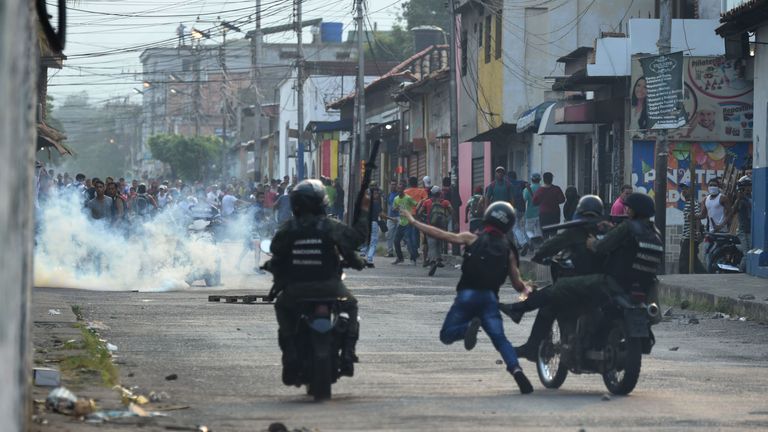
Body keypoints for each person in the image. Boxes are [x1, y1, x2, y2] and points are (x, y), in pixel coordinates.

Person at [400, 202, 534, 394]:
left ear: (488, 216)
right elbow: (517, 285)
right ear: (509, 224)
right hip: (489, 300)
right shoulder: (508, 250)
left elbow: (441, 234)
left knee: (446, 335)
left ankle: (466, 330)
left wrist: (413, 221)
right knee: (501, 341)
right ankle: (516, 370)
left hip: (467, 295)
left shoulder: (471, 238)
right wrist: (527, 289)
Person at [501, 193, 663, 336]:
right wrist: (611, 229)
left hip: (613, 283)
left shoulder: (627, 227)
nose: (626, 211)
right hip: (642, 287)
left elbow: (601, 247)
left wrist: (593, 243)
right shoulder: (655, 232)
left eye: (629, 209)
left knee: (559, 287)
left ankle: (518, 309)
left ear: (635, 211)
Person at [267, 180, 369, 384]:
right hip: (330, 286)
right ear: (322, 203)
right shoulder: (330, 226)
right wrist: (364, 211)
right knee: (351, 306)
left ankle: (290, 356)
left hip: (296, 290)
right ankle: (348, 353)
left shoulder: (289, 228)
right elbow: (355, 240)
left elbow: (276, 251)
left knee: (282, 308)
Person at [503, 195, 607, 361]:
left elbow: (548, 247)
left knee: (550, 302)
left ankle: (529, 340)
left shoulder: (575, 231)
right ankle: (518, 313)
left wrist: (538, 256)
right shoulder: (608, 230)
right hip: (607, 287)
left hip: (585, 285)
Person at [416, 185, 453, 276]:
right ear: (440, 193)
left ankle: (433, 262)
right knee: (438, 244)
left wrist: (421, 221)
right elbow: (452, 212)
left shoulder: (427, 202)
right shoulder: (445, 202)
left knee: (431, 245)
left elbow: (420, 212)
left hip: (430, 227)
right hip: (441, 228)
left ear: (431, 193)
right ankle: (438, 259)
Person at [699, 178, 731, 269]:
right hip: (710, 232)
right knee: (706, 252)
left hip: (722, 232)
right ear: (707, 187)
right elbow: (703, 215)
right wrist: (693, 216)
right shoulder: (705, 199)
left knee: (719, 252)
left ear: (718, 187)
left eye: (715, 185)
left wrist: (721, 225)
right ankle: (709, 271)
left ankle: (720, 268)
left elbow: (730, 212)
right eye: (710, 185)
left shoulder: (723, 198)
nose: (712, 187)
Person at [678, 183, 706, 274]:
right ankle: (704, 275)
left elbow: (697, 217)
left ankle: (683, 278)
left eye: (686, 188)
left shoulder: (693, 202)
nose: (684, 191)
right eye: (682, 189)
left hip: (691, 236)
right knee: (692, 260)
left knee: (684, 259)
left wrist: (697, 232)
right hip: (687, 235)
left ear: (691, 190)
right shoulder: (688, 202)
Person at [392, 183, 419, 265]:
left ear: (403, 189)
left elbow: (416, 204)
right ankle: (400, 258)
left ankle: (413, 258)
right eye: (398, 188)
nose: (399, 190)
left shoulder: (408, 198)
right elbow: (394, 208)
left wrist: (414, 214)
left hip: (408, 222)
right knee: (396, 241)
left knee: (408, 241)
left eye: (401, 188)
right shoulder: (396, 199)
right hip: (401, 222)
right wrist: (395, 209)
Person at [533, 172, 565, 238]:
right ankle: (554, 247)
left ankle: (546, 247)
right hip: (555, 214)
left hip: (544, 215)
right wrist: (554, 202)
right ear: (551, 179)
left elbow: (535, 202)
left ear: (543, 180)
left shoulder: (540, 191)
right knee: (554, 234)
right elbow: (562, 200)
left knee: (545, 235)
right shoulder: (556, 189)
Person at [732, 175, 752, 272]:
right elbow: (733, 211)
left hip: (750, 230)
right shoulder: (741, 200)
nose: (748, 189)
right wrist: (738, 199)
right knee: (747, 254)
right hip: (743, 231)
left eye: (749, 186)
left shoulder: (751, 198)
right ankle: (740, 272)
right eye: (746, 187)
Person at [507, 171, 529, 255]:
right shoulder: (520, 182)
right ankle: (519, 244)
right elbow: (528, 184)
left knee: (515, 227)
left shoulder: (508, 183)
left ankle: (523, 243)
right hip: (522, 208)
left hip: (514, 207)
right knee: (518, 226)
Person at [365, 185, 384, 268]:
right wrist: (391, 218)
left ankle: (367, 256)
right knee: (373, 243)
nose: (377, 195)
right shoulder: (376, 203)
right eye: (376, 193)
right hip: (374, 223)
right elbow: (381, 214)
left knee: (369, 241)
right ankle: (369, 259)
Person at [523, 173, 543, 250]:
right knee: (538, 231)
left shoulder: (527, 189)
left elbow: (524, 200)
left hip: (530, 214)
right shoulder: (542, 189)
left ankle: (531, 238)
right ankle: (538, 248)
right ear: (540, 179)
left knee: (528, 230)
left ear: (531, 179)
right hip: (541, 213)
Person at [385, 180, 399, 257]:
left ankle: (398, 252)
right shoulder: (389, 195)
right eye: (392, 184)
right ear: (390, 185)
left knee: (398, 235)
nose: (393, 186)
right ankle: (390, 251)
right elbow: (389, 205)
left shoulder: (399, 194)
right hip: (390, 217)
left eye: (394, 184)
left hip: (398, 217)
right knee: (389, 234)